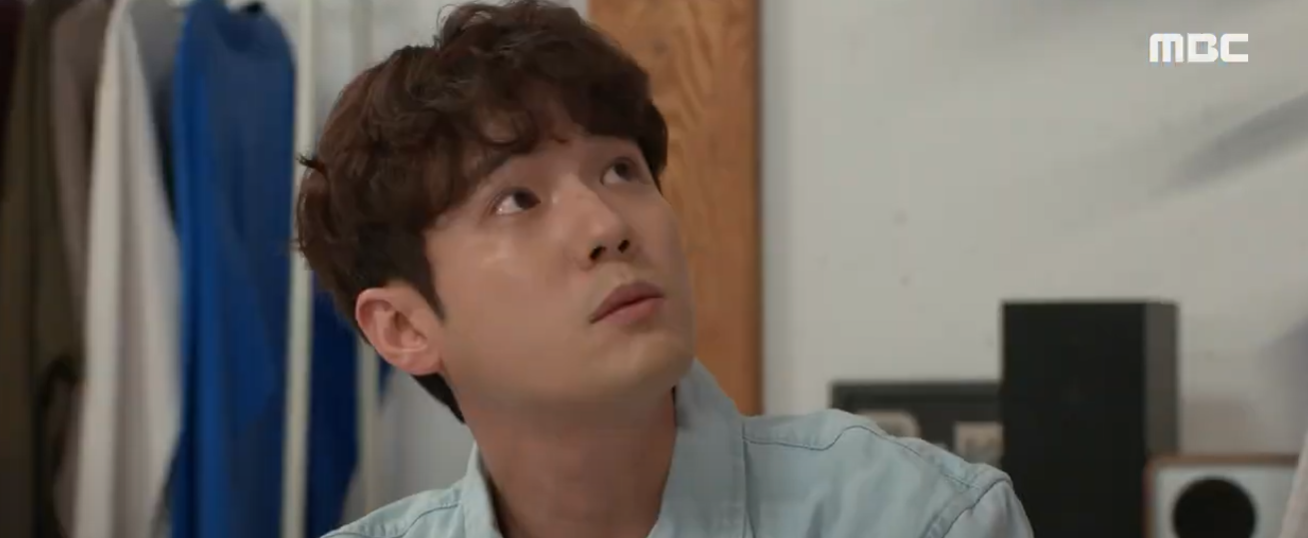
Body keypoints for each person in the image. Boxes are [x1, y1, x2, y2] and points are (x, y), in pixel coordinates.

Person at [296, 1, 1034, 537]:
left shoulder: (910, 518)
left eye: (621, 170)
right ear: (403, 327)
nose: (607, 227)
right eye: (518, 199)